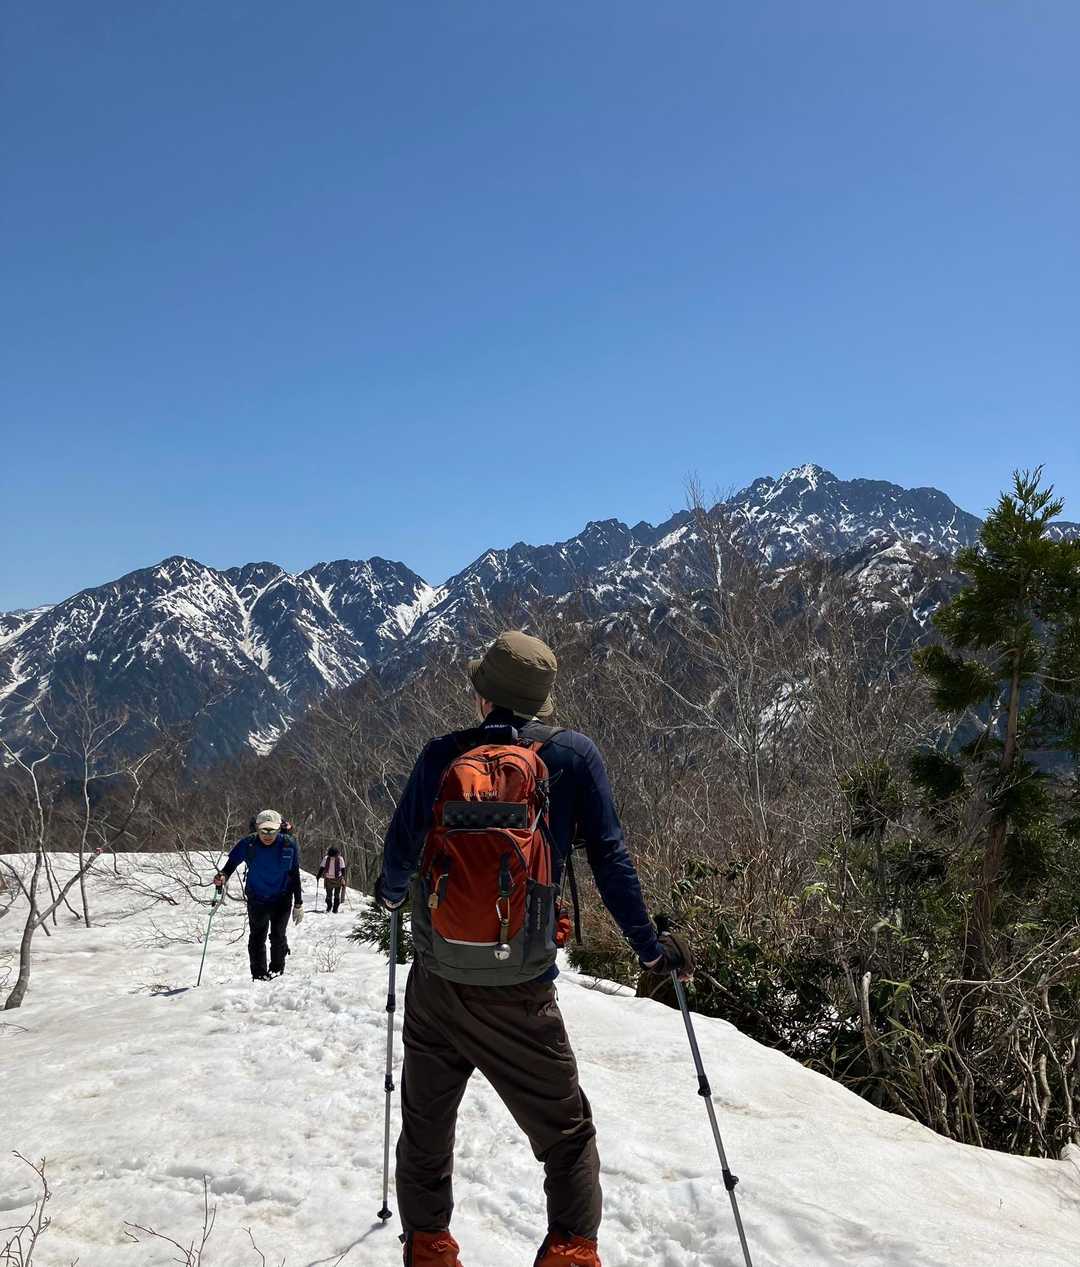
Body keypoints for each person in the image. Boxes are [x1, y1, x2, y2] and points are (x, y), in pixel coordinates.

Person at [374, 631, 692, 1267]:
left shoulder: (442, 755)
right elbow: (609, 860)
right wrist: (650, 949)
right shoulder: (572, 755)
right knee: (565, 1134)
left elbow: (399, 856)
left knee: (427, 1127)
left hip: (439, 982)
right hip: (520, 988)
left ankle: (430, 1248)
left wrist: (389, 897)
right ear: (542, 699)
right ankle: (570, 1251)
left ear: (482, 694)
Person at [215, 809, 304, 981]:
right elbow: (230, 865)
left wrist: (298, 903)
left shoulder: (289, 844)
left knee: (278, 936)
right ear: (257, 828)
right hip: (257, 898)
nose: (267, 835)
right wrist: (222, 876)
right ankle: (259, 974)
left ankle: (277, 971)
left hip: (282, 897)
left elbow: (294, 874)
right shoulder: (248, 844)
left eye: (272, 831)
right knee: (257, 937)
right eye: (264, 830)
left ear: (279, 829)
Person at [316, 845, 348, 913]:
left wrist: (343, 878)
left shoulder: (340, 859)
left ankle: (335, 909)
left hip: (337, 879)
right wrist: (318, 875)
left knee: (336, 895)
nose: (333, 857)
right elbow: (322, 868)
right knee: (329, 895)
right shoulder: (326, 858)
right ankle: (329, 906)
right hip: (329, 879)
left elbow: (343, 869)